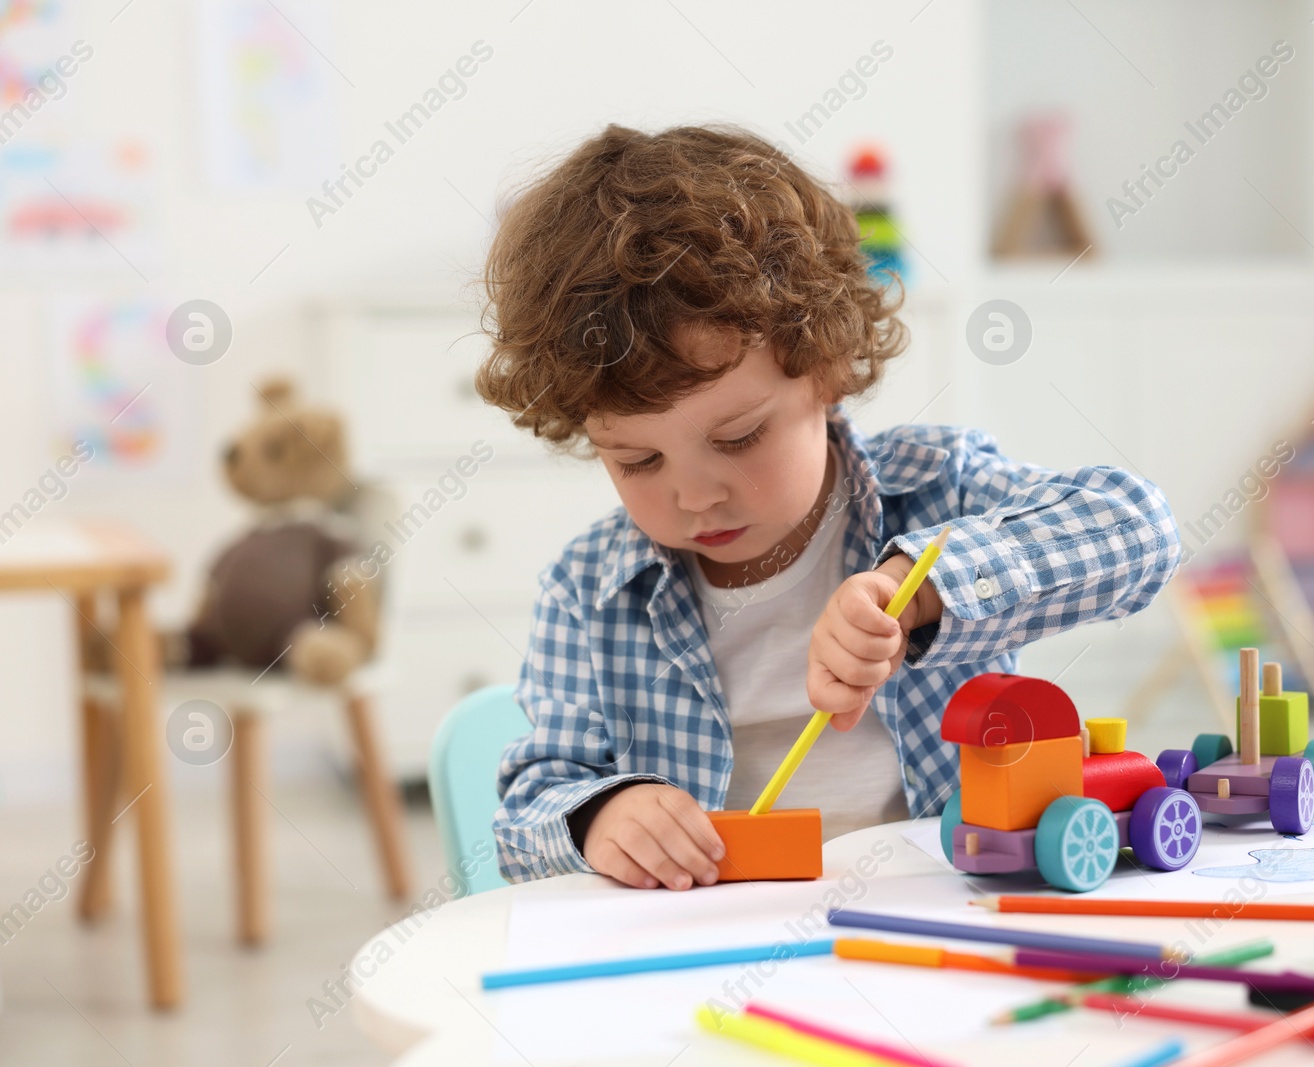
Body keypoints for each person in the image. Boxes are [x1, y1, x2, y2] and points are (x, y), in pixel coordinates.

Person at [475, 124, 1180, 890]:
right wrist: (600, 816)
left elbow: (1138, 528)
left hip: (941, 915)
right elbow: (527, 814)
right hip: (714, 946)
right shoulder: (588, 589)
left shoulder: (935, 486)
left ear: (828, 369)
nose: (695, 494)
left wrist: (923, 586)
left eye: (740, 437)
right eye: (637, 460)